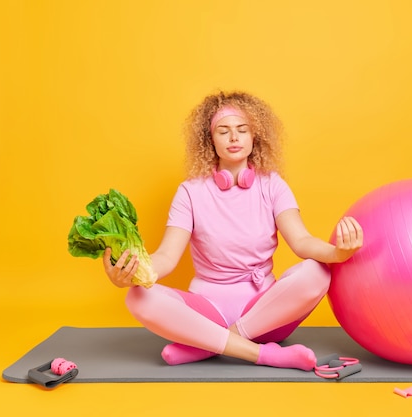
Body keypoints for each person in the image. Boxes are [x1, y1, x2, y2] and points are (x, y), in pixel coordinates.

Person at [103, 90, 363, 371]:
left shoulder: (273, 185)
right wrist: (131, 272)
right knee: (138, 296)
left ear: (255, 137)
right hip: (206, 312)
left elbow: (301, 241)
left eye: (242, 130)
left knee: (318, 271)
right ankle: (263, 355)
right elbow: (166, 257)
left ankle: (208, 346)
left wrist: (337, 253)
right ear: (210, 140)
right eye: (223, 131)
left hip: (267, 316)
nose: (234, 138)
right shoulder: (190, 192)